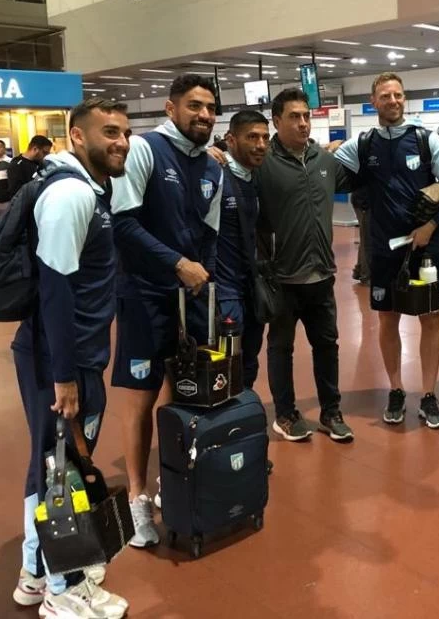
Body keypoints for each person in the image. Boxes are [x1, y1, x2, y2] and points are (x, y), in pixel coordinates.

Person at [10, 97, 130, 618]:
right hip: (63, 359)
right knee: (65, 469)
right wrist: (65, 378)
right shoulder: (69, 195)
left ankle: (36, 572)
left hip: (73, 354)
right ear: (77, 137)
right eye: (109, 132)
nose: (121, 141)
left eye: (125, 132)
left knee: (55, 463)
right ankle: (67, 587)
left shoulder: (88, 188)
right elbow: (55, 290)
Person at [110, 74, 223, 547]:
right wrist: (177, 264)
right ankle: (137, 498)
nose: (205, 115)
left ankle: (174, 484)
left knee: (186, 395)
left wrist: (208, 291)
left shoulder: (214, 167)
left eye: (212, 108)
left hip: (192, 301)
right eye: (195, 106)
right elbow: (122, 223)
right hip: (143, 297)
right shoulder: (144, 151)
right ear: (171, 107)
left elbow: (211, 238)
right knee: (140, 397)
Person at [334, 72, 439, 429]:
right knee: (387, 317)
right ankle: (396, 389)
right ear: (373, 101)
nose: (392, 101)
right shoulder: (362, 144)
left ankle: (427, 395)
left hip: (426, 248)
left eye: (397, 95)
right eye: (385, 96)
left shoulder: (426, 141)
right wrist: (328, 150)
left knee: (430, 318)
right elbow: (324, 169)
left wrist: (430, 227)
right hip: (382, 250)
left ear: (403, 99)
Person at [251, 89, 356, 442]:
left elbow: (356, 180)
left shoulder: (324, 162)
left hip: (321, 274)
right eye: (294, 116)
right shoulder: (262, 163)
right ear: (276, 121)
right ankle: (285, 414)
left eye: (306, 116)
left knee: (327, 345)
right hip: (282, 277)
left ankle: (331, 411)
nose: (302, 123)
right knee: (281, 348)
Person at [215, 110, 269, 397]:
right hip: (224, 292)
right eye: (252, 137)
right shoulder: (215, 176)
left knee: (249, 362)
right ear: (230, 140)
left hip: (251, 289)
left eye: (264, 138)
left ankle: (241, 419)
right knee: (224, 367)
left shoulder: (256, 178)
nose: (260, 144)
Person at [351, 186, 371, 286]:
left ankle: (359, 269)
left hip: (362, 200)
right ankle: (366, 275)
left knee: (365, 237)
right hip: (364, 202)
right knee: (367, 239)